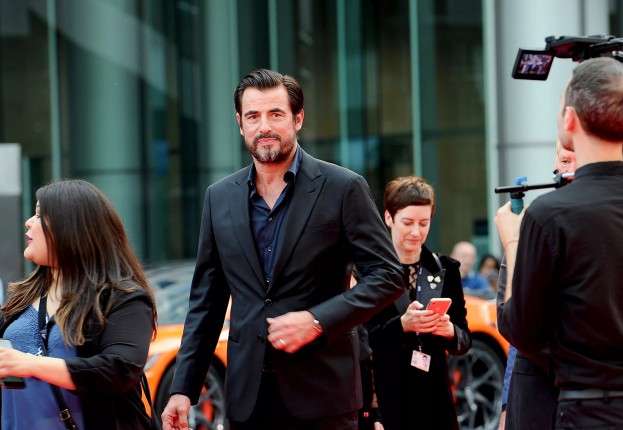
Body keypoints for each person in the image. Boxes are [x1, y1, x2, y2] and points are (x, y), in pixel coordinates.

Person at [161, 69, 405, 430]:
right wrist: (183, 390)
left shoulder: (343, 187)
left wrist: (318, 320)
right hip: (247, 401)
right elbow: (206, 304)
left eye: (275, 114)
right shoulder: (219, 197)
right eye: (253, 116)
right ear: (240, 124)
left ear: (298, 118)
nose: (264, 127)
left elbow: (388, 276)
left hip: (323, 395)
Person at [495, 57, 623, 428]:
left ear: (569, 120)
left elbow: (521, 330)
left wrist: (514, 241)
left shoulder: (549, 215)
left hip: (587, 410)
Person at [0, 179, 158, 429]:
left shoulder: (122, 297)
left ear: (71, 227)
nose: (29, 221)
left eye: (39, 214)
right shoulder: (23, 296)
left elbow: (119, 370)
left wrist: (30, 364)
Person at [367, 176, 472, 430]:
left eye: (424, 223)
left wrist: (450, 330)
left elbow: (464, 340)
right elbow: (361, 341)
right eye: (408, 223)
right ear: (389, 218)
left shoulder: (446, 268)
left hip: (434, 398)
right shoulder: (369, 270)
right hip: (386, 396)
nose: (416, 232)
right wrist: (401, 325)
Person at [497, 140, 576, 430]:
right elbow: (513, 329)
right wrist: (506, 404)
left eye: (577, 158)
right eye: (564, 160)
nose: (569, 169)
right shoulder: (535, 222)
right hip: (535, 395)